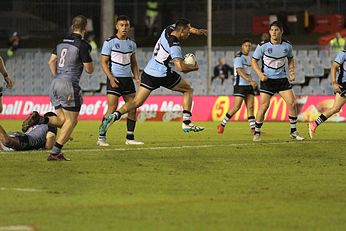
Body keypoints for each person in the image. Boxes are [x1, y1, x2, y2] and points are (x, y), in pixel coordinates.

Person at [98, 18, 207, 136]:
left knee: (135, 102)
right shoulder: (174, 45)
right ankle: (186, 122)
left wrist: (198, 31)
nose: (189, 34)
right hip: (163, 74)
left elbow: (186, 27)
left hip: (149, 72)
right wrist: (194, 68)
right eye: (188, 32)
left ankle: (115, 115)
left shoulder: (168, 29)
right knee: (188, 89)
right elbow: (180, 68)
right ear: (181, 31)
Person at [22, 15, 94, 161]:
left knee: (62, 121)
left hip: (55, 83)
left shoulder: (61, 43)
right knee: (72, 121)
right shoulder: (83, 45)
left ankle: (40, 119)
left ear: (72, 27)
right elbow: (89, 69)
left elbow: (51, 61)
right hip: (69, 85)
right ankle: (55, 153)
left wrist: (58, 76)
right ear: (85, 28)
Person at [251, 21, 304, 142]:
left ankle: (293, 131)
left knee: (292, 104)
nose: (274, 32)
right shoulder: (263, 46)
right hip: (267, 81)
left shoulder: (287, 45)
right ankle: (257, 132)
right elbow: (253, 61)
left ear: (281, 31)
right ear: (269, 32)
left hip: (282, 80)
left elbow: (290, 58)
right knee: (264, 107)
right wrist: (259, 74)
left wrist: (291, 71)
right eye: (272, 30)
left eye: (276, 30)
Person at [97, 15, 143, 146]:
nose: (124, 28)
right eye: (121, 25)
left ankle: (130, 138)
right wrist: (110, 77)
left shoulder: (131, 43)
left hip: (128, 79)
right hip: (115, 79)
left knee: (133, 107)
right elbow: (103, 62)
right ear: (116, 26)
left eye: (126, 25)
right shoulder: (109, 42)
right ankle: (101, 137)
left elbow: (134, 63)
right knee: (112, 108)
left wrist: (137, 78)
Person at [217, 39, 257, 134]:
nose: (248, 47)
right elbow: (239, 71)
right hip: (240, 85)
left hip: (249, 85)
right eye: (246, 45)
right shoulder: (238, 57)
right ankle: (222, 124)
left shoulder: (250, 57)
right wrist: (250, 80)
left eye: (249, 46)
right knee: (236, 107)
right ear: (242, 46)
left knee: (250, 107)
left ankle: (253, 129)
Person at [308, 48, 346, 138]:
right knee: (335, 108)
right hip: (343, 83)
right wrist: (334, 83)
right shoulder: (343, 54)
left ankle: (314, 124)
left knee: (335, 109)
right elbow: (334, 66)